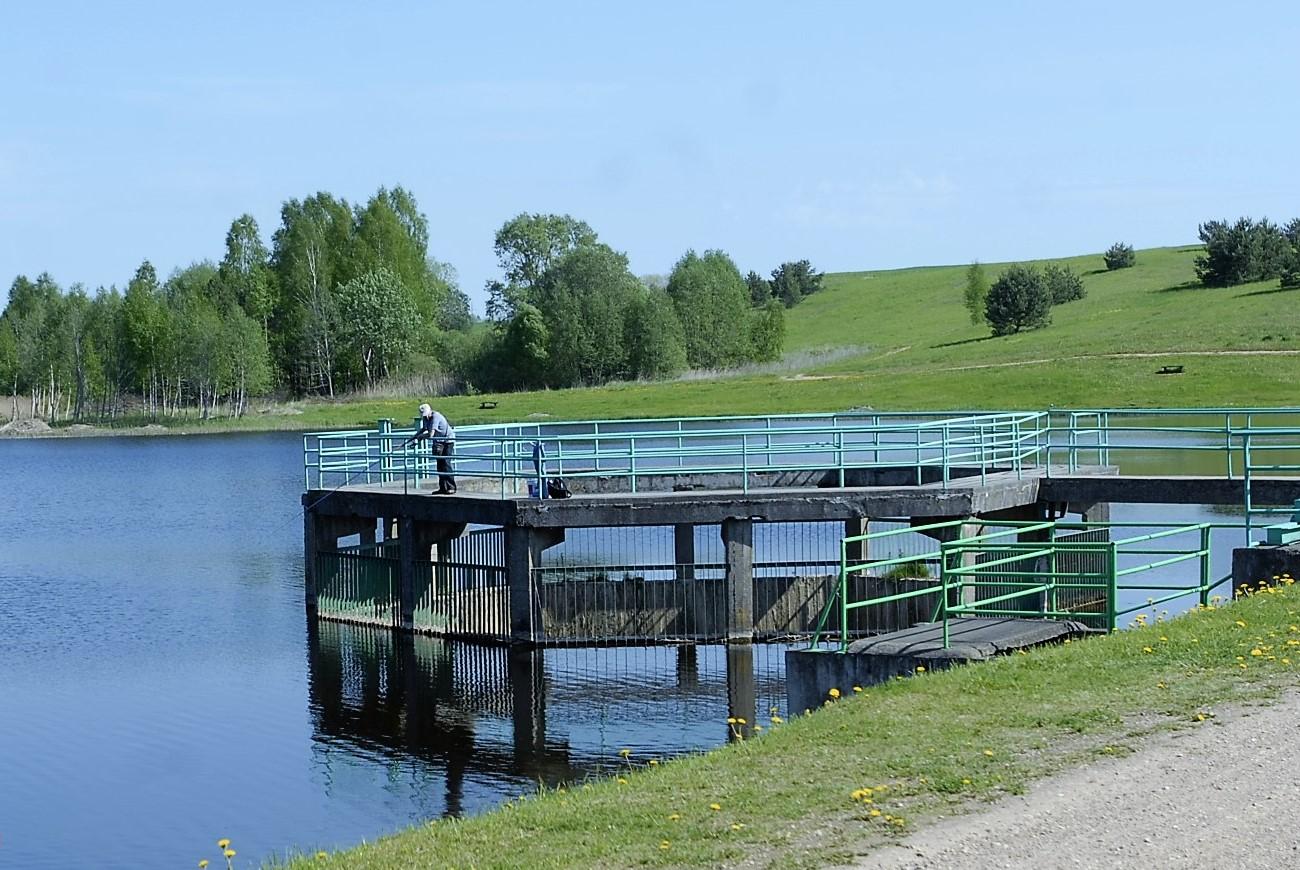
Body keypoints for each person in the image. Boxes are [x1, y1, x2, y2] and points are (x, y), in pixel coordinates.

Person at [414, 403, 456, 494]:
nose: (425, 417)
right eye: (423, 415)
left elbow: (430, 434)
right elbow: (424, 428)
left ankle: (451, 487)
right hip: (438, 441)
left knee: (446, 463)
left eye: (425, 414)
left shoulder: (435, 417)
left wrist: (421, 437)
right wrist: (415, 436)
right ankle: (442, 488)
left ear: (430, 411)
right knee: (439, 465)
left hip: (448, 440)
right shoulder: (426, 418)